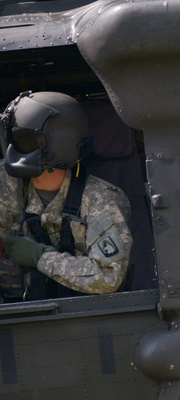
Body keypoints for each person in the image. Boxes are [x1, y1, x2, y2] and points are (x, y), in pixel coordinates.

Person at [0, 90, 131, 300]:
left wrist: (40, 257)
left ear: (60, 145)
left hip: (81, 318)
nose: (16, 151)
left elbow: (108, 276)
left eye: (25, 141)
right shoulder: (6, 184)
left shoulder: (101, 200)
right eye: (13, 139)